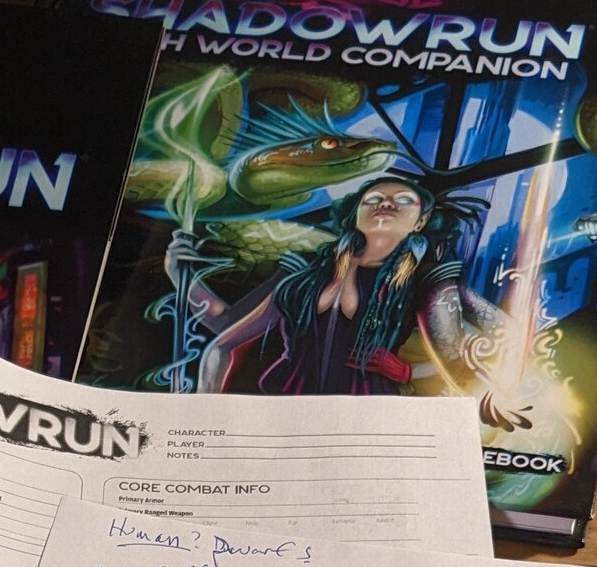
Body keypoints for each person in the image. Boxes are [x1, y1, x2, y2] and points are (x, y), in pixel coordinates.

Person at [167, 173, 530, 429]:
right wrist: (179, 275)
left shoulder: (426, 279)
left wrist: (411, 372)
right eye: (373, 199)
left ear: (420, 223)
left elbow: (502, 338)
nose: (386, 203)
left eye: (404, 201)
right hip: (284, 418)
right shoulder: (304, 273)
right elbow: (225, 334)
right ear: (355, 213)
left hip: (368, 426)